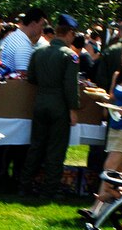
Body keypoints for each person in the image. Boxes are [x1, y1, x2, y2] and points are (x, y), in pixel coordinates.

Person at [19, 14, 80, 198]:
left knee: (36, 146)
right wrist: (73, 109)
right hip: (59, 106)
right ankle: (50, 189)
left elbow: (31, 78)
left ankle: (24, 185)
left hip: (40, 102)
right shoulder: (70, 56)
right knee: (56, 149)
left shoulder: (39, 52)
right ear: (69, 33)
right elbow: (70, 85)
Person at [82, 39, 122, 219]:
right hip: (115, 127)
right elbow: (112, 98)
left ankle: (96, 208)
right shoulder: (118, 75)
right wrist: (96, 93)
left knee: (109, 166)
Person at [0, 8, 47, 76]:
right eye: (41, 25)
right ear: (33, 24)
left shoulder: (12, 36)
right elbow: (23, 77)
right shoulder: (24, 45)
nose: (42, 30)